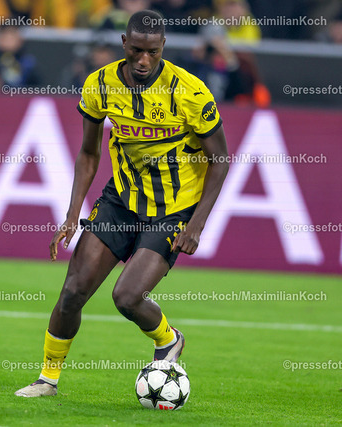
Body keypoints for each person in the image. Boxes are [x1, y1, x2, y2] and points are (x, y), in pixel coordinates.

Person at [15, 10, 229, 398]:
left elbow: (220, 160)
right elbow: (88, 153)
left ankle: (169, 339)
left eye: (152, 52)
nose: (143, 61)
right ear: (124, 44)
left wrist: (196, 224)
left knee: (127, 297)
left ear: (163, 46)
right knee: (73, 292)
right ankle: (47, 380)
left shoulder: (190, 92)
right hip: (121, 201)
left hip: (173, 209)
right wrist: (72, 214)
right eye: (136, 51)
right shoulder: (100, 84)